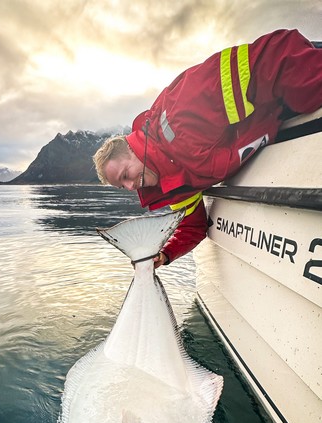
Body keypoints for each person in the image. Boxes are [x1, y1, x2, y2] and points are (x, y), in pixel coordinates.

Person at [93, 29, 322, 267]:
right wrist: (166, 255)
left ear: (132, 149)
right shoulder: (173, 186)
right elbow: (193, 227)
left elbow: (261, 64)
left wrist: (307, 86)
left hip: (293, 72)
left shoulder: (178, 114)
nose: (131, 186)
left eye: (126, 175)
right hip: (277, 118)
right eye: (123, 185)